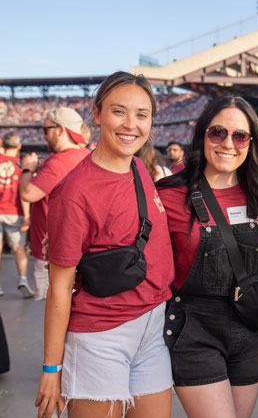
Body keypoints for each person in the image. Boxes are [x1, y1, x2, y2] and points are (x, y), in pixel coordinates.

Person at [34, 72, 174, 418]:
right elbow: (60, 288)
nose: (131, 125)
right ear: (96, 114)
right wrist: (52, 370)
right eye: (118, 111)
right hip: (101, 337)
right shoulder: (73, 193)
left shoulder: (139, 168)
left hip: (152, 328)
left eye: (142, 115)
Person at [157, 94, 258, 418]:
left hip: (250, 331)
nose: (228, 144)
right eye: (218, 132)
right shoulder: (169, 193)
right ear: (202, 134)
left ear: (251, 143)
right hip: (195, 330)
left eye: (240, 136)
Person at [19, 107, 89, 301]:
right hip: (78, 247)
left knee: (49, 309)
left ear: (60, 130)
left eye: (46, 130)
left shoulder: (58, 162)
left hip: (51, 250)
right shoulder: (87, 155)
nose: (44, 136)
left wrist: (27, 170)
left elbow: (28, 194)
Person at [0, 132, 31, 297]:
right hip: (15, 211)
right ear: (18, 146)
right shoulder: (20, 165)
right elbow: (23, 192)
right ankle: (23, 279)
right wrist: (27, 215)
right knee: (19, 249)